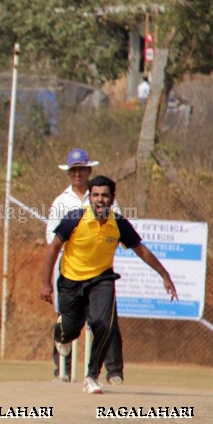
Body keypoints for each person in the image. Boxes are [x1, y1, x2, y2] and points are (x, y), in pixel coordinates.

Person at [40, 175, 178, 394]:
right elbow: (53, 248)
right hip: (70, 281)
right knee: (70, 330)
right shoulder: (74, 218)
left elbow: (140, 249)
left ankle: (91, 376)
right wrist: (45, 283)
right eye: (95, 195)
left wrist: (165, 275)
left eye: (105, 195)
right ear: (90, 198)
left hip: (101, 279)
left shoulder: (119, 223)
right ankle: (62, 334)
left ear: (112, 199)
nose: (100, 200)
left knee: (104, 323)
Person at [45, 148, 124, 385]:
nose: (78, 173)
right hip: (71, 270)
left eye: (82, 169)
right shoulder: (61, 202)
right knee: (68, 320)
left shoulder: (104, 195)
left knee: (106, 320)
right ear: (69, 173)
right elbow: (52, 239)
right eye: (73, 170)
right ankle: (63, 370)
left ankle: (113, 371)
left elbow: (116, 227)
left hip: (100, 271)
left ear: (89, 170)